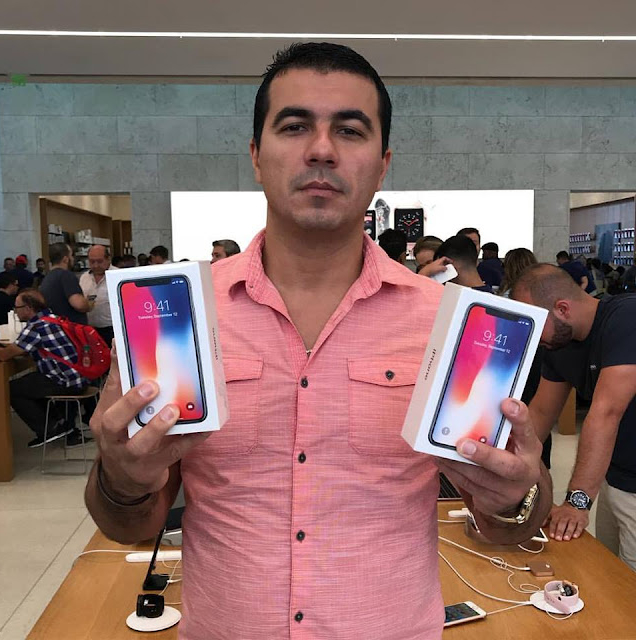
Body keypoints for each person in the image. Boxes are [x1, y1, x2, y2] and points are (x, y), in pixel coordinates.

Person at [85, 42, 550, 640]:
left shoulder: (453, 325)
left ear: (382, 165)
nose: (322, 149)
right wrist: (122, 477)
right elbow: (127, 525)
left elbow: (512, 525)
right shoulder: (179, 317)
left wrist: (517, 496)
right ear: (256, 156)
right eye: (295, 125)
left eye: (350, 130)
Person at [512, 264, 636, 570]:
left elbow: (605, 414)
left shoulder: (627, 319)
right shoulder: (559, 344)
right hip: (615, 476)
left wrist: (576, 501)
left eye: (536, 324)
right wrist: (505, 469)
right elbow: (541, 412)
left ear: (562, 309)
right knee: (610, 572)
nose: (533, 337)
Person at [0, 289, 90, 448]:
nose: (15, 312)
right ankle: (61, 424)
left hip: (65, 382)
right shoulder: (53, 318)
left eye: (17, 308)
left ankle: (50, 429)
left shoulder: (36, 326)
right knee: (31, 382)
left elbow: (4, 355)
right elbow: (24, 348)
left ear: (28, 308)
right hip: (79, 377)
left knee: (11, 389)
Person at [498, 248, 551, 468]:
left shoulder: (505, 298)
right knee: (538, 411)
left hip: (514, 360)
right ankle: (542, 464)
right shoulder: (545, 295)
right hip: (541, 355)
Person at [40, 243, 93, 325]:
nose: (73, 259)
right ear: (65, 259)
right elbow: (78, 304)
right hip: (71, 327)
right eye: (71, 255)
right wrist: (89, 304)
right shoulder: (66, 276)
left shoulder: (46, 278)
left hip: (56, 325)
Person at [79, 245, 117, 347]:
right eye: (92, 262)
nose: (96, 265)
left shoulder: (117, 275)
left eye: (100, 261)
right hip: (90, 329)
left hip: (112, 329)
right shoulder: (84, 277)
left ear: (108, 259)